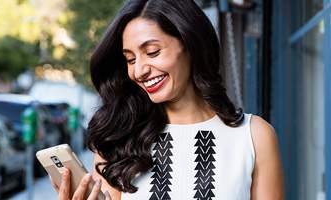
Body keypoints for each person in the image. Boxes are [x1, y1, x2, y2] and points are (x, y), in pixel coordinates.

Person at [51, 0, 284, 199]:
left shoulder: (254, 136)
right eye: (131, 60)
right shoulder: (118, 140)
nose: (139, 70)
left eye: (152, 52)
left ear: (190, 44)